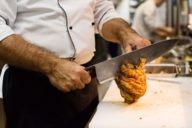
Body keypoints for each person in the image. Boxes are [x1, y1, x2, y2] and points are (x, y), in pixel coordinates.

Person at [0, 0, 150, 128]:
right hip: (31, 89)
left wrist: (125, 33)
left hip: (84, 81)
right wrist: (52, 66)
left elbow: (102, 11)